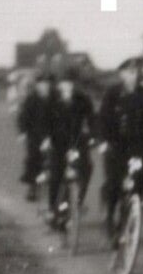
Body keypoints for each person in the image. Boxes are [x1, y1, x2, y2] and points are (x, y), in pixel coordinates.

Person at [95, 56, 143, 241]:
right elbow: (103, 119)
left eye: (135, 72)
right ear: (122, 74)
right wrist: (103, 140)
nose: (133, 76)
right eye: (129, 72)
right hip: (116, 147)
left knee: (137, 186)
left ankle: (125, 224)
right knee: (114, 184)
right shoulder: (112, 94)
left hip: (138, 148)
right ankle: (110, 218)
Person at [44, 74, 95, 229]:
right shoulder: (52, 100)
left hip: (78, 141)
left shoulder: (83, 100)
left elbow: (92, 119)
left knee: (87, 168)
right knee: (56, 173)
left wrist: (94, 136)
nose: (68, 86)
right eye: (64, 83)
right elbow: (45, 121)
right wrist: (46, 137)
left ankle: (77, 201)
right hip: (58, 142)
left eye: (71, 83)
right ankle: (53, 209)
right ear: (60, 85)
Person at [16, 72, 53, 203]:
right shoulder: (32, 99)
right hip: (35, 134)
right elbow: (23, 116)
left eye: (47, 84)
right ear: (37, 85)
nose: (44, 86)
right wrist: (22, 132)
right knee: (33, 157)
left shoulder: (54, 98)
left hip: (52, 134)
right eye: (41, 84)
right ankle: (32, 187)